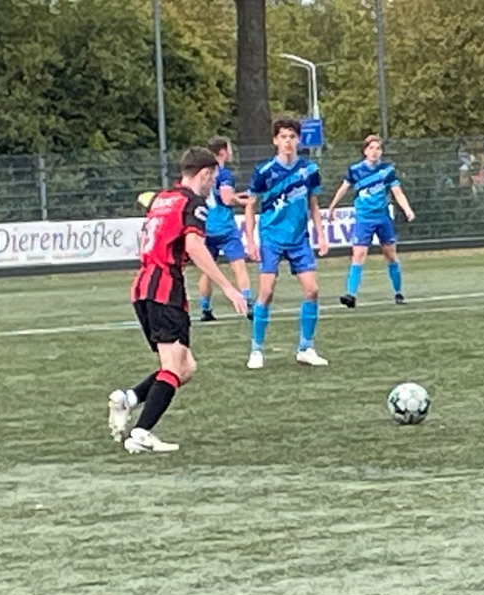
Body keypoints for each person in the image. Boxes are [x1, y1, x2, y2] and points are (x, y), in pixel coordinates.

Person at [109, 148, 254, 453]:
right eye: (213, 178)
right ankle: (140, 434)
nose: (213, 184)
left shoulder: (162, 198)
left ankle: (128, 399)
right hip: (164, 288)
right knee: (173, 367)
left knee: (185, 367)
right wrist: (228, 287)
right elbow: (195, 247)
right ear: (205, 174)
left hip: (144, 285)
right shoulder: (194, 203)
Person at [244, 117, 331, 366]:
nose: (288, 142)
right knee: (266, 292)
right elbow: (250, 206)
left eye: (292, 137)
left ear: (298, 140)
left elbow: (313, 203)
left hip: (299, 238)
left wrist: (321, 235)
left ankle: (306, 348)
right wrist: (250, 241)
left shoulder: (309, 170)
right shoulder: (264, 172)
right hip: (271, 237)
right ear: (275, 140)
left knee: (312, 290)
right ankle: (256, 350)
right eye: (283, 137)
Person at [326, 134, 415, 307]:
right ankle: (350, 295)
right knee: (358, 254)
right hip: (364, 218)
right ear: (365, 151)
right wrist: (332, 207)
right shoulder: (355, 170)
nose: (375, 152)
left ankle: (398, 293)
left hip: (382, 217)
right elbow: (343, 188)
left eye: (378, 148)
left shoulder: (387, 170)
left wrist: (407, 209)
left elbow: (397, 192)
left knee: (390, 254)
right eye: (371, 148)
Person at [197, 137, 250, 322]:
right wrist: (242, 201)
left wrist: (236, 195)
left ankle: (205, 308)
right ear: (222, 152)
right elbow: (226, 200)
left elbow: (217, 196)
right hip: (225, 228)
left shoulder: (202, 174)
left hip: (205, 227)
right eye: (229, 149)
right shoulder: (224, 174)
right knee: (239, 266)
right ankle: (247, 303)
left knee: (207, 270)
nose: (231, 152)